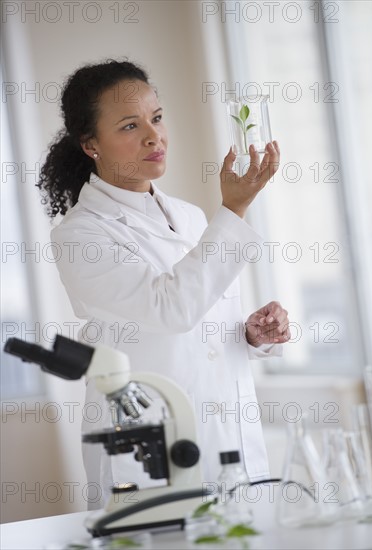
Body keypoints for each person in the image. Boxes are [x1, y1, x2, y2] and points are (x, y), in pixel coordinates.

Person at [37, 60, 290, 509]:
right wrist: (234, 211)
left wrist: (250, 334)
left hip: (227, 439)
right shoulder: (80, 235)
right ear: (91, 143)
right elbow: (169, 311)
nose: (154, 136)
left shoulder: (191, 217)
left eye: (156, 117)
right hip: (145, 451)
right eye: (130, 125)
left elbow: (202, 326)